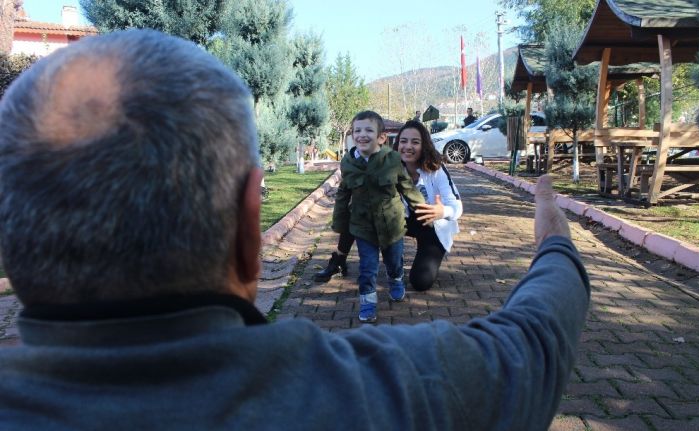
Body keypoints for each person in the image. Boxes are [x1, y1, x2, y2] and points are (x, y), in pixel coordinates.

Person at [0, 30, 591, 431]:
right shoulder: (381, 394)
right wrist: (555, 241)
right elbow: (536, 340)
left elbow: (419, 198)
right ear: (250, 223)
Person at [332, 110, 425, 323]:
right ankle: (367, 302)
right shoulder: (348, 163)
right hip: (363, 226)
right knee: (367, 267)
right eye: (357, 130)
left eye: (368, 130)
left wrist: (421, 208)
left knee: (394, 261)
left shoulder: (392, 160)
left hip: (392, 224)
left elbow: (406, 186)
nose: (362, 135)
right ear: (352, 135)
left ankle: (396, 279)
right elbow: (343, 194)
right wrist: (339, 223)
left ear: (381, 137)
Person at [394, 120, 463, 291]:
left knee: (421, 282)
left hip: (432, 225)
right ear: (397, 144)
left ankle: (427, 253)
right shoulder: (390, 167)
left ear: (424, 145)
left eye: (415, 142)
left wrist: (442, 211)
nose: (408, 146)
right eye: (403, 141)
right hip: (404, 220)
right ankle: (340, 259)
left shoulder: (436, 169)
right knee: (359, 212)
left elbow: (457, 206)